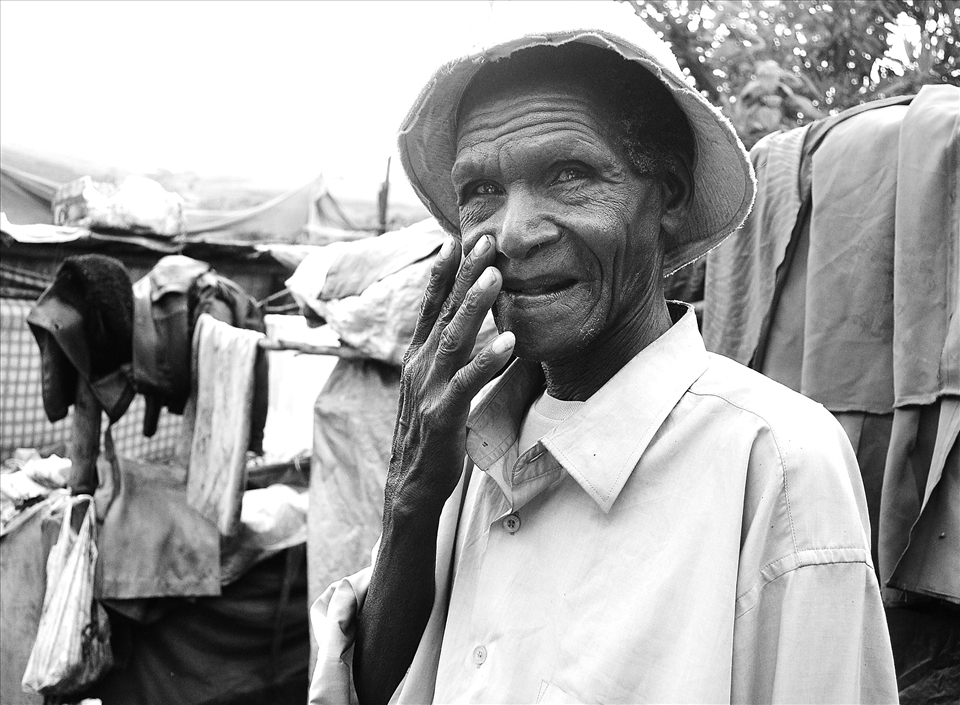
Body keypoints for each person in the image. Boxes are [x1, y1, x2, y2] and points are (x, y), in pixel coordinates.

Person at [310, 4, 898, 703]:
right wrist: (409, 506)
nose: (515, 232)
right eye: (481, 191)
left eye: (568, 174)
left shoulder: (776, 461)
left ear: (667, 197)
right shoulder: (460, 448)